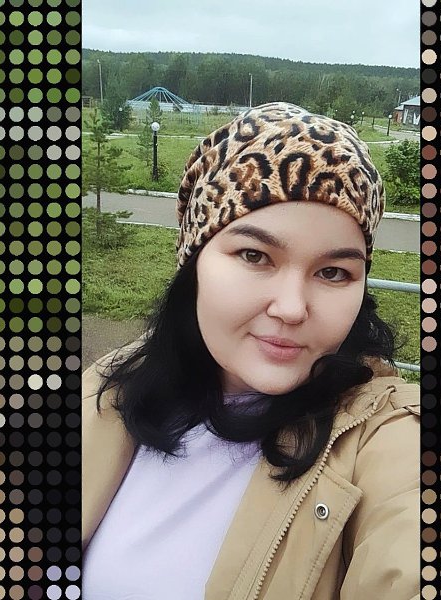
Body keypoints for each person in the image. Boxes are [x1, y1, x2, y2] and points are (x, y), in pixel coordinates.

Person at [81, 102, 420, 599]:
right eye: (255, 255)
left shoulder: (384, 437)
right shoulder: (108, 386)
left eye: (333, 272)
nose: (292, 308)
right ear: (193, 262)